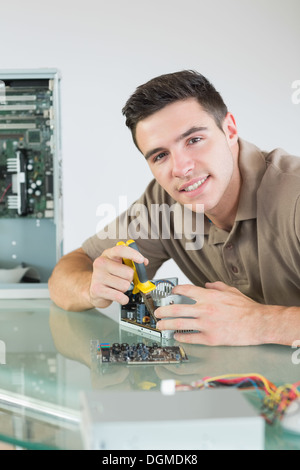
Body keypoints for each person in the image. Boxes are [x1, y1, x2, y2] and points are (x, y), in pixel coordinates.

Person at [48, 70, 300, 347]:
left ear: (229, 129)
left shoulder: (294, 197)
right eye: (160, 155)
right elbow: (67, 271)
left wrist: (258, 322)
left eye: (194, 140)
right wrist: (92, 288)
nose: (181, 169)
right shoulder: (163, 204)